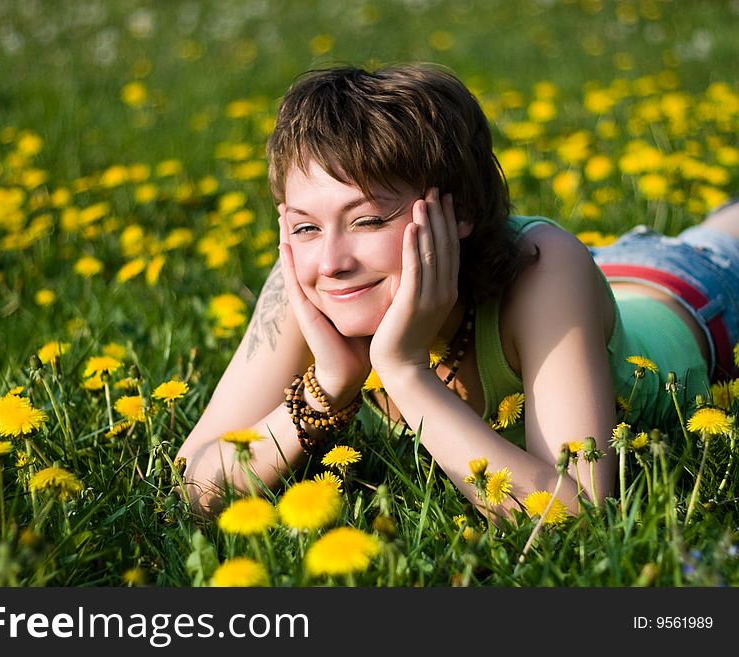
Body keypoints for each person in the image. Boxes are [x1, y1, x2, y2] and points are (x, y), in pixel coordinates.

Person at [176, 64, 739, 517]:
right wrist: (329, 385)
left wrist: (403, 372)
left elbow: (577, 511)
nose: (331, 261)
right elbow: (192, 481)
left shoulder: (544, 268)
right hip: (592, 289)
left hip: (686, 285)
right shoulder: (312, 281)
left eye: (369, 221)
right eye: (305, 226)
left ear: (461, 209)